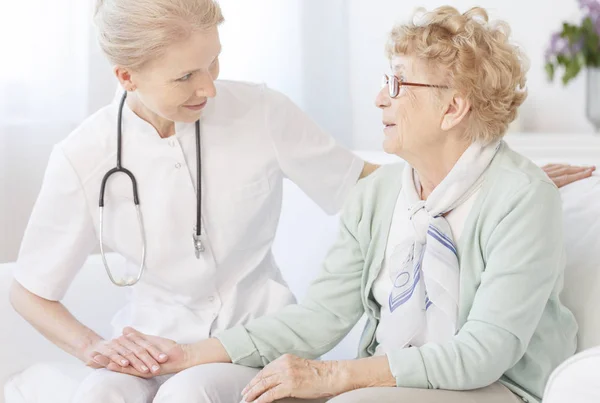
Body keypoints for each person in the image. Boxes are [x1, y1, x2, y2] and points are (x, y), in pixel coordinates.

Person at [105, 6, 581, 403]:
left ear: (452, 108)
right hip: (393, 381)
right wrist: (189, 355)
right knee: (209, 393)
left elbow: (485, 352)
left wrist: (337, 376)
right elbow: (320, 318)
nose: (379, 99)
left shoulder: (520, 198)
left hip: (498, 386)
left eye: (397, 84)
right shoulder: (378, 196)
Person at [8, 0, 379, 402]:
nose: (209, 88)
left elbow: (365, 186)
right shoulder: (83, 156)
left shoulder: (261, 112)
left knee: (189, 393)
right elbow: (29, 290)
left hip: (254, 343)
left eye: (213, 62)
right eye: (185, 76)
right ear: (126, 76)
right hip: (153, 345)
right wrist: (91, 346)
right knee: (101, 394)